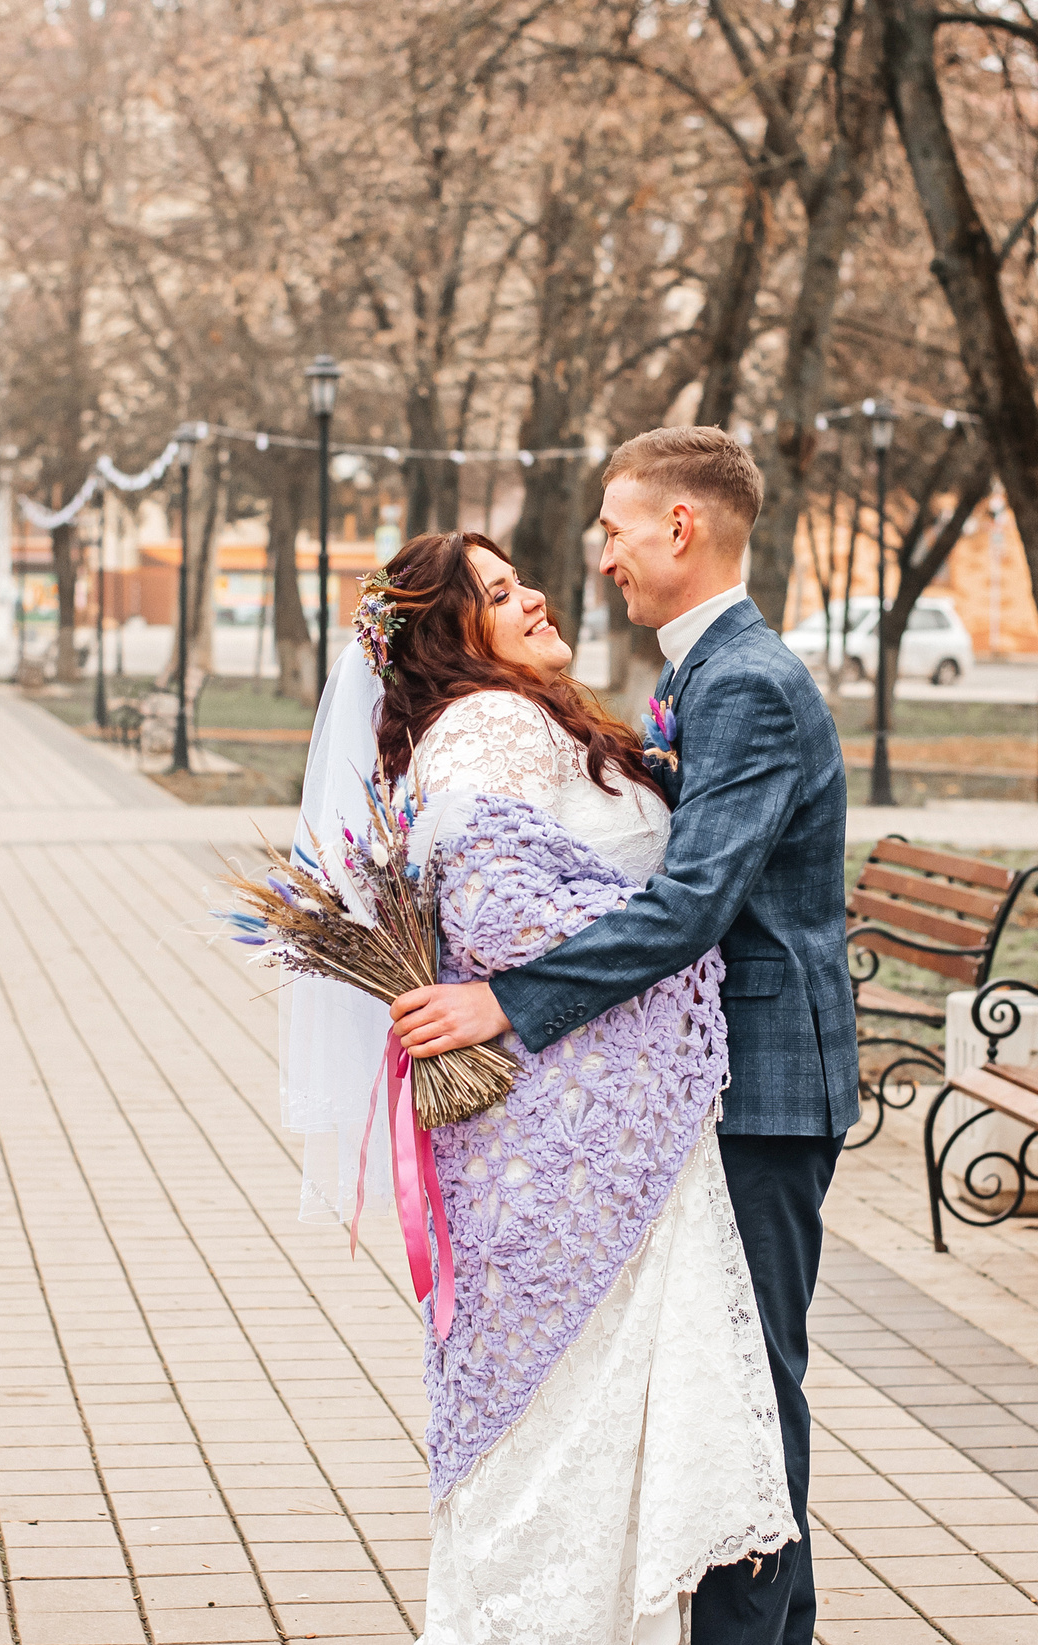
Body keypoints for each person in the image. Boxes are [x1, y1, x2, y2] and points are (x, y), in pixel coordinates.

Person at [392, 425, 858, 1645]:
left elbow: (693, 903)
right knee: (741, 1390)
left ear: (678, 527)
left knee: (751, 1394)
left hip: (764, 1080)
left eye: (613, 529)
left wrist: (510, 1000)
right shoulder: (704, 672)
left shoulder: (742, 680)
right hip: (721, 1081)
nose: (598, 556)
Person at [286, 527, 793, 1645]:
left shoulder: (518, 717)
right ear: (446, 636)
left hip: (574, 1122)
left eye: (521, 579)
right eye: (499, 592)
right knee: (571, 1427)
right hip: (574, 1141)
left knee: (578, 1425)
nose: (534, 598)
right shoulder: (491, 723)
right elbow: (502, 910)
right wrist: (685, 936)